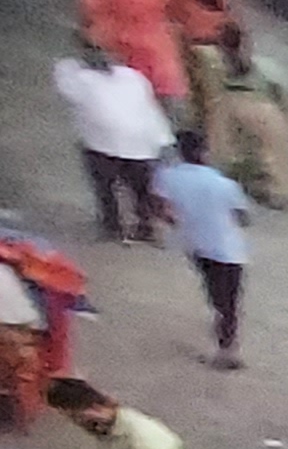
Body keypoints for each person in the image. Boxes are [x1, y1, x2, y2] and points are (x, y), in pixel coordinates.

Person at [53, 34, 174, 241]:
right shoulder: (132, 77)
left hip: (102, 144)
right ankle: (145, 227)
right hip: (141, 144)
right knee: (140, 189)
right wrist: (163, 140)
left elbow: (66, 85)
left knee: (106, 187)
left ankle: (114, 226)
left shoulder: (80, 78)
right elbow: (149, 107)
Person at [150, 134, 251, 364]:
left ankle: (224, 340)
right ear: (205, 153)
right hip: (229, 249)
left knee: (216, 294)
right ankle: (227, 348)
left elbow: (158, 206)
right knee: (230, 301)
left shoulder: (166, 177)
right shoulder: (224, 184)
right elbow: (243, 217)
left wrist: (175, 221)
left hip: (196, 245)